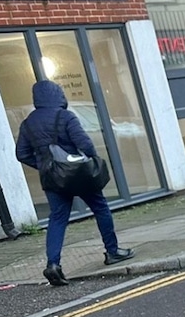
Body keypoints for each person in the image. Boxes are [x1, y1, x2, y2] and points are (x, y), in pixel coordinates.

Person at [14, 79, 133, 286]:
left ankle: (53, 264)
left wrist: (45, 166)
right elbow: (84, 143)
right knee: (100, 208)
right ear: (58, 95)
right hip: (79, 174)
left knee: (57, 219)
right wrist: (92, 161)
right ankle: (112, 251)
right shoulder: (65, 116)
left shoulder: (28, 123)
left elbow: (21, 154)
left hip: (53, 179)